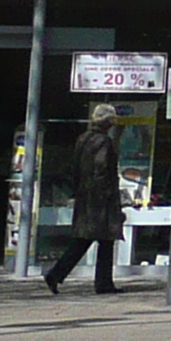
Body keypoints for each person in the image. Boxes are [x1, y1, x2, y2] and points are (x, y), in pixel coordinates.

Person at [41, 103, 126, 295]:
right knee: (105, 241)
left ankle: (56, 274)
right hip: (101, 201)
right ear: (107, 122)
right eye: (112, 120)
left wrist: (78, 190)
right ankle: (103, 283)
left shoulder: (83, 139)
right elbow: (101, 169)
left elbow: (75, 169)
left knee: (82, 240)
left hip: (85, 197)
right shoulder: (104, 142)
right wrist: (107, 195)